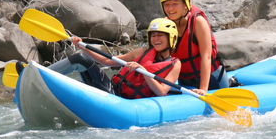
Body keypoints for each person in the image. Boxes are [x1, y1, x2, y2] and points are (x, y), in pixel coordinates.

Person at [46, 18, 181, 99]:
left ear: (171, 38)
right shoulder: (141, 52)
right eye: (153, 35)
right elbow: (105, 61)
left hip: (121, 101)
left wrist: (143, 71)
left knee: (81, 59)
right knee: (80, 58)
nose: (156, 39)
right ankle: (42, 74)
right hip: (112, 89)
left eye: (160, 35)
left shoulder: (175, 64)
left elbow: (161, 91)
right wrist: (82, 46)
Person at [160, 0, 229, 95]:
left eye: (175, 4)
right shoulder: (165, 24)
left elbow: (206, 57)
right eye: (167, 4)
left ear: (185, 5)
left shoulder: (198, 22)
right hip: (185, 80)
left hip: (211, 78)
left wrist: (203, 89)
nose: (170, 8)